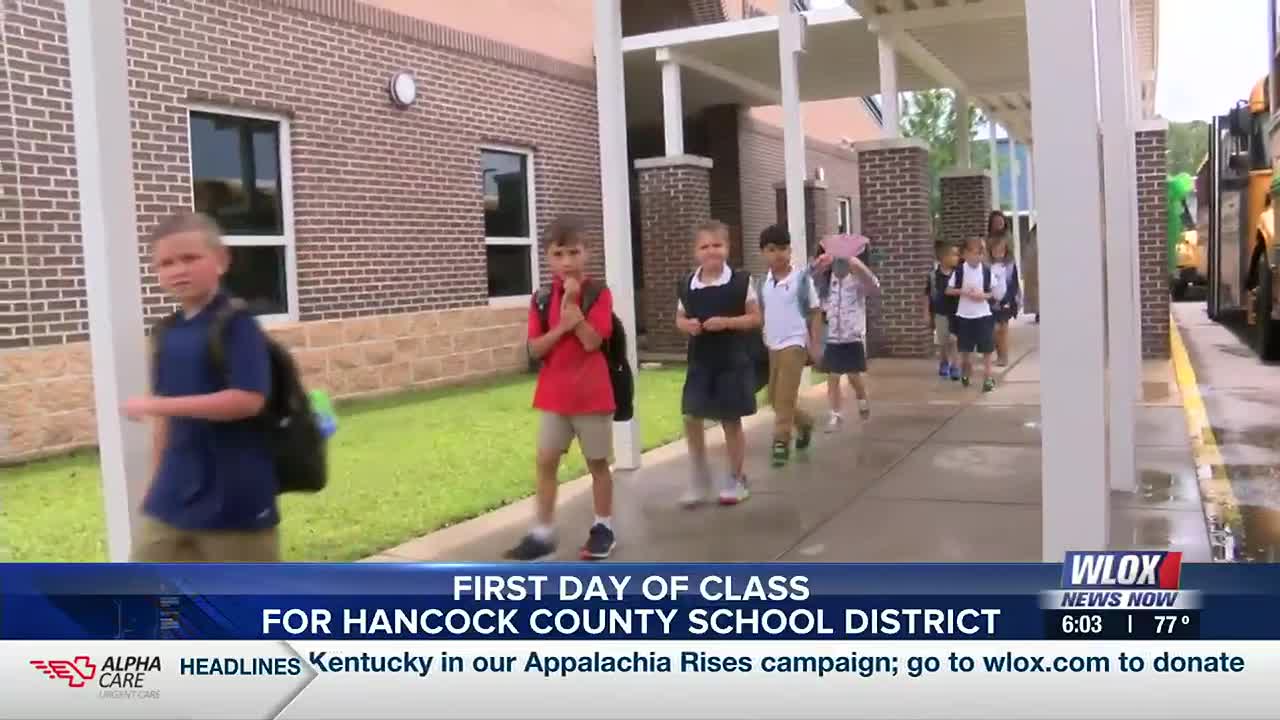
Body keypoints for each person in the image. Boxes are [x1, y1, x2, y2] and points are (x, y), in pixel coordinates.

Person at [121, 211, 280, 562]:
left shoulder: (238, 324)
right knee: (147, 586)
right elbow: (164, 421)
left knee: (242, 594)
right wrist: (156, 483)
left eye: (190, 258)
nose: (178, 270)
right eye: (166, 263)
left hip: (235, 502)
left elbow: (247, 400)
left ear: (221, 260)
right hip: (172, 498)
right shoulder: (166, 332)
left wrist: (156, 405)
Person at [506, 216, 617, 561]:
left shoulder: (599, 294)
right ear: (548, 257)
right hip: (554, 396)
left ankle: (603, 527)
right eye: (558, 254)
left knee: (597, 463)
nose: (566, 261)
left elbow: (593, 342)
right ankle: (542, 533)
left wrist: (574, 311)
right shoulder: (540, 298)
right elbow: (535, 348)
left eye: (573, 252)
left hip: (592, 394)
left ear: (587, 253)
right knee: (546, 461)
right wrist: (560, 328)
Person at [676, 220, 761, 506]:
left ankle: (737, 477)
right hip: (700, 360)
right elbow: (679, 317)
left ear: (727, 247)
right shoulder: (687, 284)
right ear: (695, 251)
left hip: (731, 360)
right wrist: (687, 325)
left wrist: (726, 322)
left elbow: (755, 318)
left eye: (717, 245)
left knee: (730, 420)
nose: (711, 251)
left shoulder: (740, 282)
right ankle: (700, 477)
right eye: (704, 246)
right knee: (691, 415)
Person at [757, 224, 822, 467]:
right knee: (774, 398)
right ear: (763, 253)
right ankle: (805, 423)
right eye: (772, 249)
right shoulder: (762, 284)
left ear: (790, 251)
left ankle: (781, 441)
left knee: (785, 396)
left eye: (783, 249)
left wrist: (814, 344)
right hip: (772, 346)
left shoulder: (801, 280)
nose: (779, 254)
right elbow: (761, 313)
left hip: (795, 344)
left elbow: (815, 312)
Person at [815, 246, 880, 432]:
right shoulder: (826, 282)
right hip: (833, 337)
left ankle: (862, 397)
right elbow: (808, 283)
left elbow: (874, 285)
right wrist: (819, 265)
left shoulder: (856, 282)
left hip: (851, 337)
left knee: (853, 375)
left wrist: (856, 263)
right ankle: (835, 415)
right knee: (833, 377)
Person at [946, 236, 997, 392]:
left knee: (987, 349)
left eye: (980, 253)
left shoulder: (986, 271)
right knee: (965, 350)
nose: (977, 257)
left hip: (983, 315)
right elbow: (948, 290)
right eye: (974, 253)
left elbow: (993, 293)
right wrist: (962, 291)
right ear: (965, 254)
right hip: (965, 316)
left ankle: (988, 378)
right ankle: (966, 372)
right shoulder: (960, 271)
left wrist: (982, 295)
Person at [926, 240, 961, 381]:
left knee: (955, 339)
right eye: (954, 255)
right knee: (943, 341)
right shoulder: (933, 276)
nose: (957, 258)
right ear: (943, 257)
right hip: (940, 313)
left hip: (956, 312)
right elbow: (926, 295)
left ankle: (955, 365)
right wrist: (926, 313)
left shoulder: (958, 274)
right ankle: (944, 361)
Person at [988, 234, 1021, 366]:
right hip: (991, 303)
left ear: (1006, 250)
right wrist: (990, 299)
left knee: (1004, 331)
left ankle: (1004, 356)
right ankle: (999, 354)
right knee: (995, 330)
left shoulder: (1010, 266)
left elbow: (1014, 285)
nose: (998, 253)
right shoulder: (988, 266)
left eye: (1001, 250)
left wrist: (1007, 299)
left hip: (1006, 302)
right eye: (995, 250)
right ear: (991, 251)